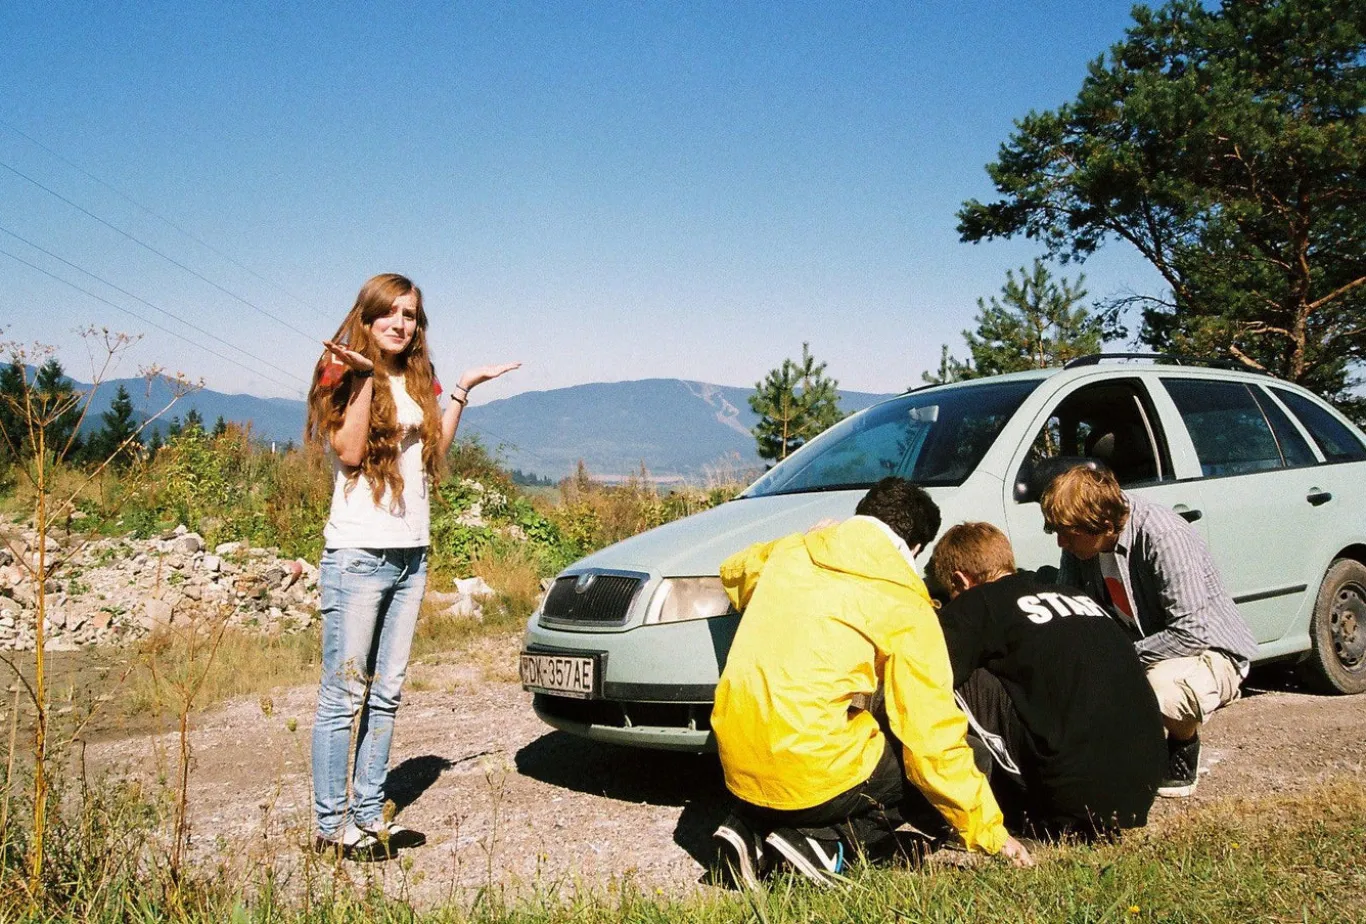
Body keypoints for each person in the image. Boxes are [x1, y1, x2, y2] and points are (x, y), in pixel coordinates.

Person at [710, 477, 1033, 889]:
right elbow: (929, 733)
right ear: (914, 547)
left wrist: (803, 539)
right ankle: (827, 844)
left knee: (837, 735)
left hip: (736, 761)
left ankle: (749, 828)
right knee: (969, 754)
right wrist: (991, 833)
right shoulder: (905, 598)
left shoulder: (792, 551)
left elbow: (734, 572)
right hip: (810, 772)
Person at [305, 273, 518, 860]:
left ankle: (368, 816)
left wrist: (462, 391)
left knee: (387, 693)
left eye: (411, 315)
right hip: (358, 555)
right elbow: (350, 454)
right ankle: (330, 828)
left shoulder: (419, 376)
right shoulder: (340, 370)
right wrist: (365, 380)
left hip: (410, 554)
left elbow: (433, 455)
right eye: (391, 312)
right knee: (344, 695)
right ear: (367, 316)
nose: (401, 324)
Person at [927, 522, 1165, 838]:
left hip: (1070, 796)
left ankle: (1014, 810)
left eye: (952, 591)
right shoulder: (1074, 594)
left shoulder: (978, 601)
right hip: (1143, 785)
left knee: (939, 670)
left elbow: (924, 676)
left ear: (961, 579)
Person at [1040, 465, 1258, 798]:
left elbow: (1192, 631)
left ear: (1104, 525)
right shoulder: (1081, 539)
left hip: (1209, 651)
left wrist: (1117, 660)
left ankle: (1183, 745)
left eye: (1068, 534)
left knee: (1160, 689)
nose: (1061, 542)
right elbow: (1071, 611)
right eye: (1057, 531)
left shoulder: (1163, 536)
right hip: (1143, 650)